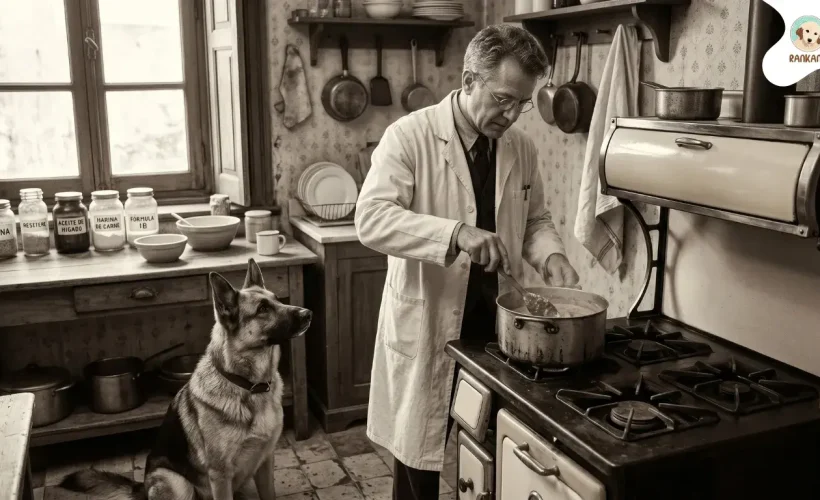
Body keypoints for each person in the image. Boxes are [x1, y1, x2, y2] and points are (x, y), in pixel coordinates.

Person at [354, 24, 579, 499]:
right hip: (432, 321)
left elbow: (535, 218)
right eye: (502, 98)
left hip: (496, 326)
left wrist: (552, 256)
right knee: (420, 462)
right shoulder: (409, 136)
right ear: (469, 79)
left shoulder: (521, 147)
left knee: (492, 453)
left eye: (521, 102)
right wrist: (453, 232)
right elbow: (370, 219)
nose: (512, 113)